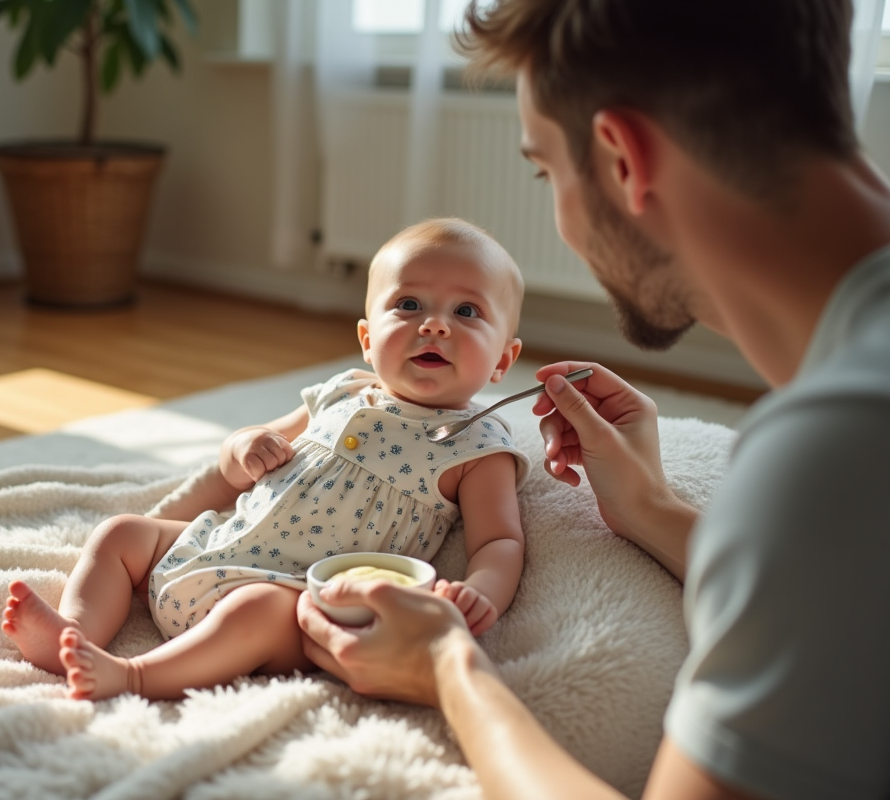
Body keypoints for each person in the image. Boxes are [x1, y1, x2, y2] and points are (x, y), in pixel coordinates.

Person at [297, 2, 890, 798]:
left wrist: (449, 670)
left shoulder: (832, 449)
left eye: (545, 170)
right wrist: (648, 507)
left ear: (621, 157)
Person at [1, 218, 534, 701]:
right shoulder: (342, 391)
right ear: (368, 341)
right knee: (121, 533)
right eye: (409, 305)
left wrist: (479, 591)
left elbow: (499, 540)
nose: (434, 325)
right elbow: (245, 456)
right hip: (213, 544)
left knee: (252, 611)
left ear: (502, 362)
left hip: (294, 601)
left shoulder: (477, 445)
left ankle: (134, 675)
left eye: (466, 311)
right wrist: (243, 447)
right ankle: (72, 633)